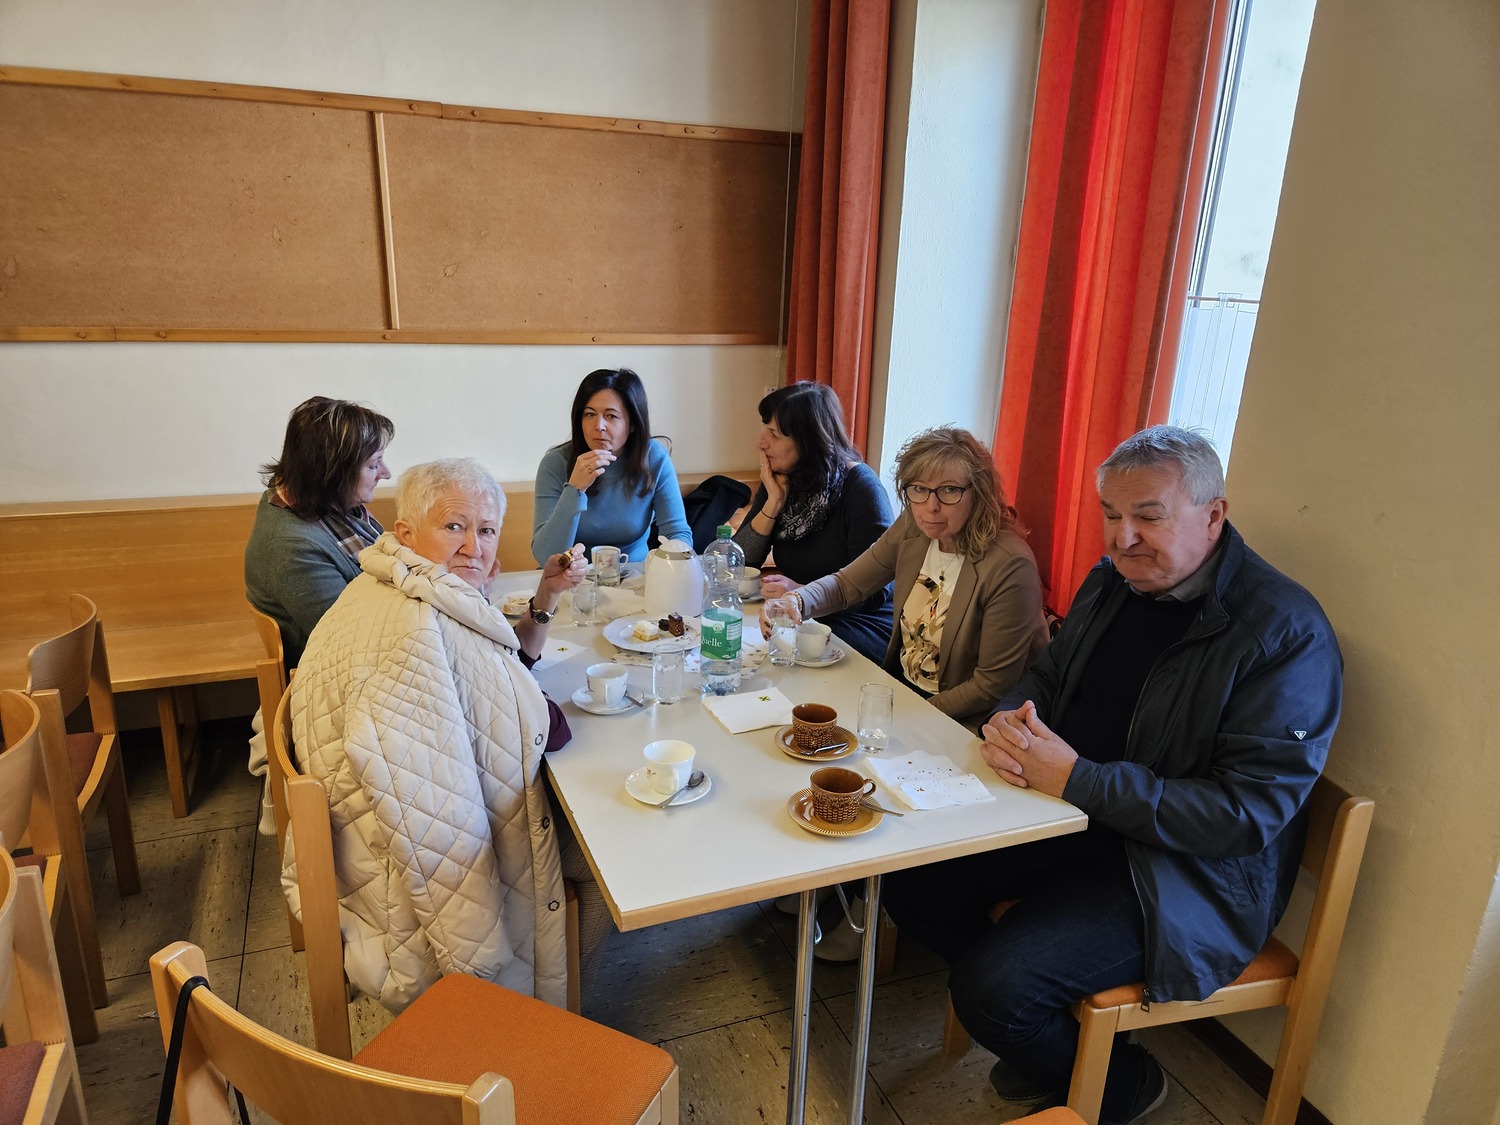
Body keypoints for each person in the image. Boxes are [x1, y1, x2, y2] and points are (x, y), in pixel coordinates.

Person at [883, 426, 1343, 1125]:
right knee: (909, 880)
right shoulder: (1112, 582)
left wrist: (1077, 780)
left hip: (1180, 873)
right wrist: (1010, 718)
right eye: (1110, 514)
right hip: (1070, 815)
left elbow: (1243, 816)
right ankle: (1051, 1033)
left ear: (1213, 515)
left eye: (1148, 517)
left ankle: (1121, 1082)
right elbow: (1046, 674)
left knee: (994, 991)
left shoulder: (1284, 634)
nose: (1122, 538)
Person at [287, 457, 597, 1013]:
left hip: (366, 847)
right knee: (605, 855)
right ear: (405, 532)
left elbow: (501, 675)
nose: (474, 547)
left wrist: (545, 597)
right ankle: (555, 1024)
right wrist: (482, 974)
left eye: (486, 530)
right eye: (454, 526)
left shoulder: (389, 584)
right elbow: (538, 732)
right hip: (404, 889)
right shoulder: (416, 632)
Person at [762, 426, 1047, 729]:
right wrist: (797, 600)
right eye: (919, 489)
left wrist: (904, 716)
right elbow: (848, 584)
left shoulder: (1010, 566)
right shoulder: (914, 526)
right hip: (903, 693)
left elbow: (990, 687)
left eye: (950, 490)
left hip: (965, 720)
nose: (931, 506)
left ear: (978, 492)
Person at [735, 382, 893, 663]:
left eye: (774, 434)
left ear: (808, 441)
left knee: (780, 650)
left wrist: (803, 594)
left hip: (862, 623)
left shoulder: (861, 489)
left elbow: (876, 590)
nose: (761, 442)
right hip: (802, 614)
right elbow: (739, 565)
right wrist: (773, 502)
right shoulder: (784, 479)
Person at [245, 396, 395, 668]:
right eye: (373, 464)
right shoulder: (291, 547)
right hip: (337, 670)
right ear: (333, 473)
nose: (385, 473)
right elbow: (352, 638)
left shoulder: (323, 502)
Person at [531, 368, 691, 566]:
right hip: (572, 576)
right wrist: (574, 490)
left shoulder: (653, 459)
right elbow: (545, 557)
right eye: (589, 414)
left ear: (633, 424)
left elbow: (677, 533)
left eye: (611, 416)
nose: (598, 425)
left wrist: (669, 571)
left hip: (635, 574)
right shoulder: (556, 463)